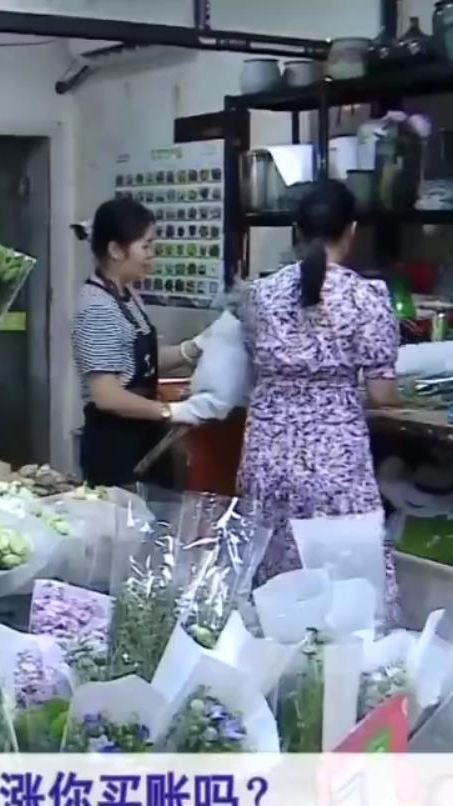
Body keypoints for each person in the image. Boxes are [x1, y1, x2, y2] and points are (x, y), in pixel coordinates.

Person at [237, 181, 402, 622]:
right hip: (333, 460)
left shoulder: (260, 294)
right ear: (351, 231)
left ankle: (274, 656)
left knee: (274, 573)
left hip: (268, 451)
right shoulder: (366, 297)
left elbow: (257, 363)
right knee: (347, 580)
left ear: (297, 230)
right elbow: (382, 394)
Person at [70, 197, 206, 487]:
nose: (151, 254)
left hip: (144, 435)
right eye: (145, 246)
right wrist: (169, 412)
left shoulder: (127, 295)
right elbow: (106, 395)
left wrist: (191, 349)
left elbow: (138, 363)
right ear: (115, 250)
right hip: (115, 444)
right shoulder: (97, 308)